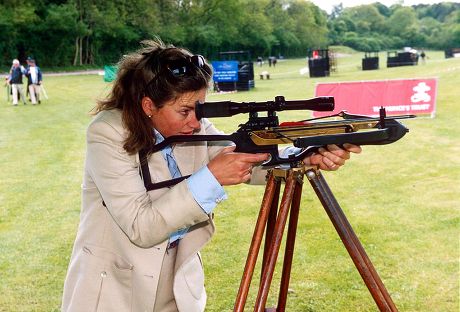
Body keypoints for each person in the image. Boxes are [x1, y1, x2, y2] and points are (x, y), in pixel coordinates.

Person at [61, 39, 361, 312]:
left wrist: (304, 155)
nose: (195, 122)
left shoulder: (197, 125)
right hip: (116, 288)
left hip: (177, 284)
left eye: (200, 109)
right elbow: (142, 227)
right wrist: (211, 177)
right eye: (185, 111)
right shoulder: (108, 132)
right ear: (148, 105)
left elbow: (239, 160)